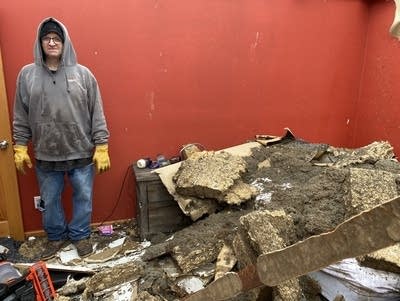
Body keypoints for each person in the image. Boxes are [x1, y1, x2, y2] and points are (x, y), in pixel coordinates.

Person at [12, 17, 110, 260]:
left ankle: (79, 234)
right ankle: (55, 236)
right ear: (40, 42)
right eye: (47, 38)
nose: (52, 42)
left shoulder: (83, 74)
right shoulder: (27, 75)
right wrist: (21, 146)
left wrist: (102, 145)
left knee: (83, 196)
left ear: (65, 42)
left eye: (57, 38)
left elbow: (96, 111)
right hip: (46, 153)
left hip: (80, 151)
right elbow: (20, 114)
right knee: (49, 199)